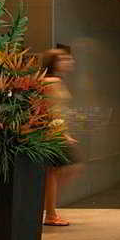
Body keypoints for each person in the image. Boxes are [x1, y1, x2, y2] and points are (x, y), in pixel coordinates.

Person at [41, 49, 82, 226]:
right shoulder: (52, 81)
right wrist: (63, 133)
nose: (69, 61)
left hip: (53, 131)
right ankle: (50, 213)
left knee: (54, 172)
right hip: (53, 133)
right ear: (54, 63)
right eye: (64, 59)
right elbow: (51, 110)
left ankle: (50, 211)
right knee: (64, 169)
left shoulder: (51, 80)